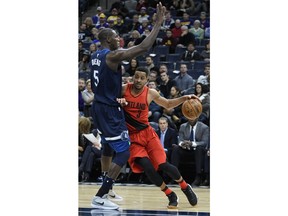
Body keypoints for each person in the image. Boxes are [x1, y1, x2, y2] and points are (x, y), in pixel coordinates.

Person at [89, 3, 166, 210]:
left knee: (107, 147)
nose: (119, 39)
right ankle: (100, 195)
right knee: (124, 152)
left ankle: (108, 185)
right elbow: (143, 48)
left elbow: (101, 82)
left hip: (99, 107)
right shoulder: (111, 55)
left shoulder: (94, 56)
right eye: (115, 37)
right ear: (107, 40)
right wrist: (157, 24)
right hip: (108, 111)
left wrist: (115, 96)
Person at [120, 67, 198, 208]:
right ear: (132, 77)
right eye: (136, 77)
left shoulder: (150, 93)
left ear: (147, 80)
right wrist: (117, 101)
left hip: (148, 134)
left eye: (142, 78)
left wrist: (185, 98)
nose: (138, 80)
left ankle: (185, 186)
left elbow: (167, 104)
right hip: (132, 138)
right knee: (148, 168)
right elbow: (106, 98)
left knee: (163, 165)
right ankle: (170, 194)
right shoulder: (123, 89)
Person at [170, 117, 210, 187]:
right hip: (186, 150)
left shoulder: (204, 127)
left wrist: (192, 143)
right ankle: (175, 176)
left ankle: (198, 177)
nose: (191, 118)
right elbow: (180, 141)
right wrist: (182, 144)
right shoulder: (183, 126)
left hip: (197, 152)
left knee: (199, 148)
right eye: (189, 116)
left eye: (193, 116)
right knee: (175, 148)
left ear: (197, 117)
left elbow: (204, 142)